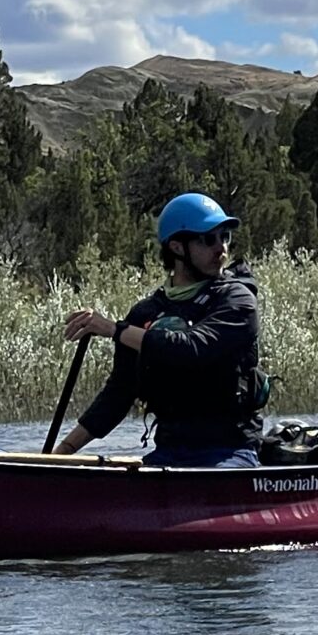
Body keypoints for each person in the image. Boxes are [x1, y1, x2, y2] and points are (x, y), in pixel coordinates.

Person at [56, 193, 265, 467]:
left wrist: (114, 329)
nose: (221, 248)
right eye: (208, 239)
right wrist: (59, 455)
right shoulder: (146, 313)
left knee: (195, 488)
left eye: (224, 236)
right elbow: (119, 395)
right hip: (169, 453)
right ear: (177, 247)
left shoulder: (237, 300)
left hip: (229, 452)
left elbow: (192, 348)